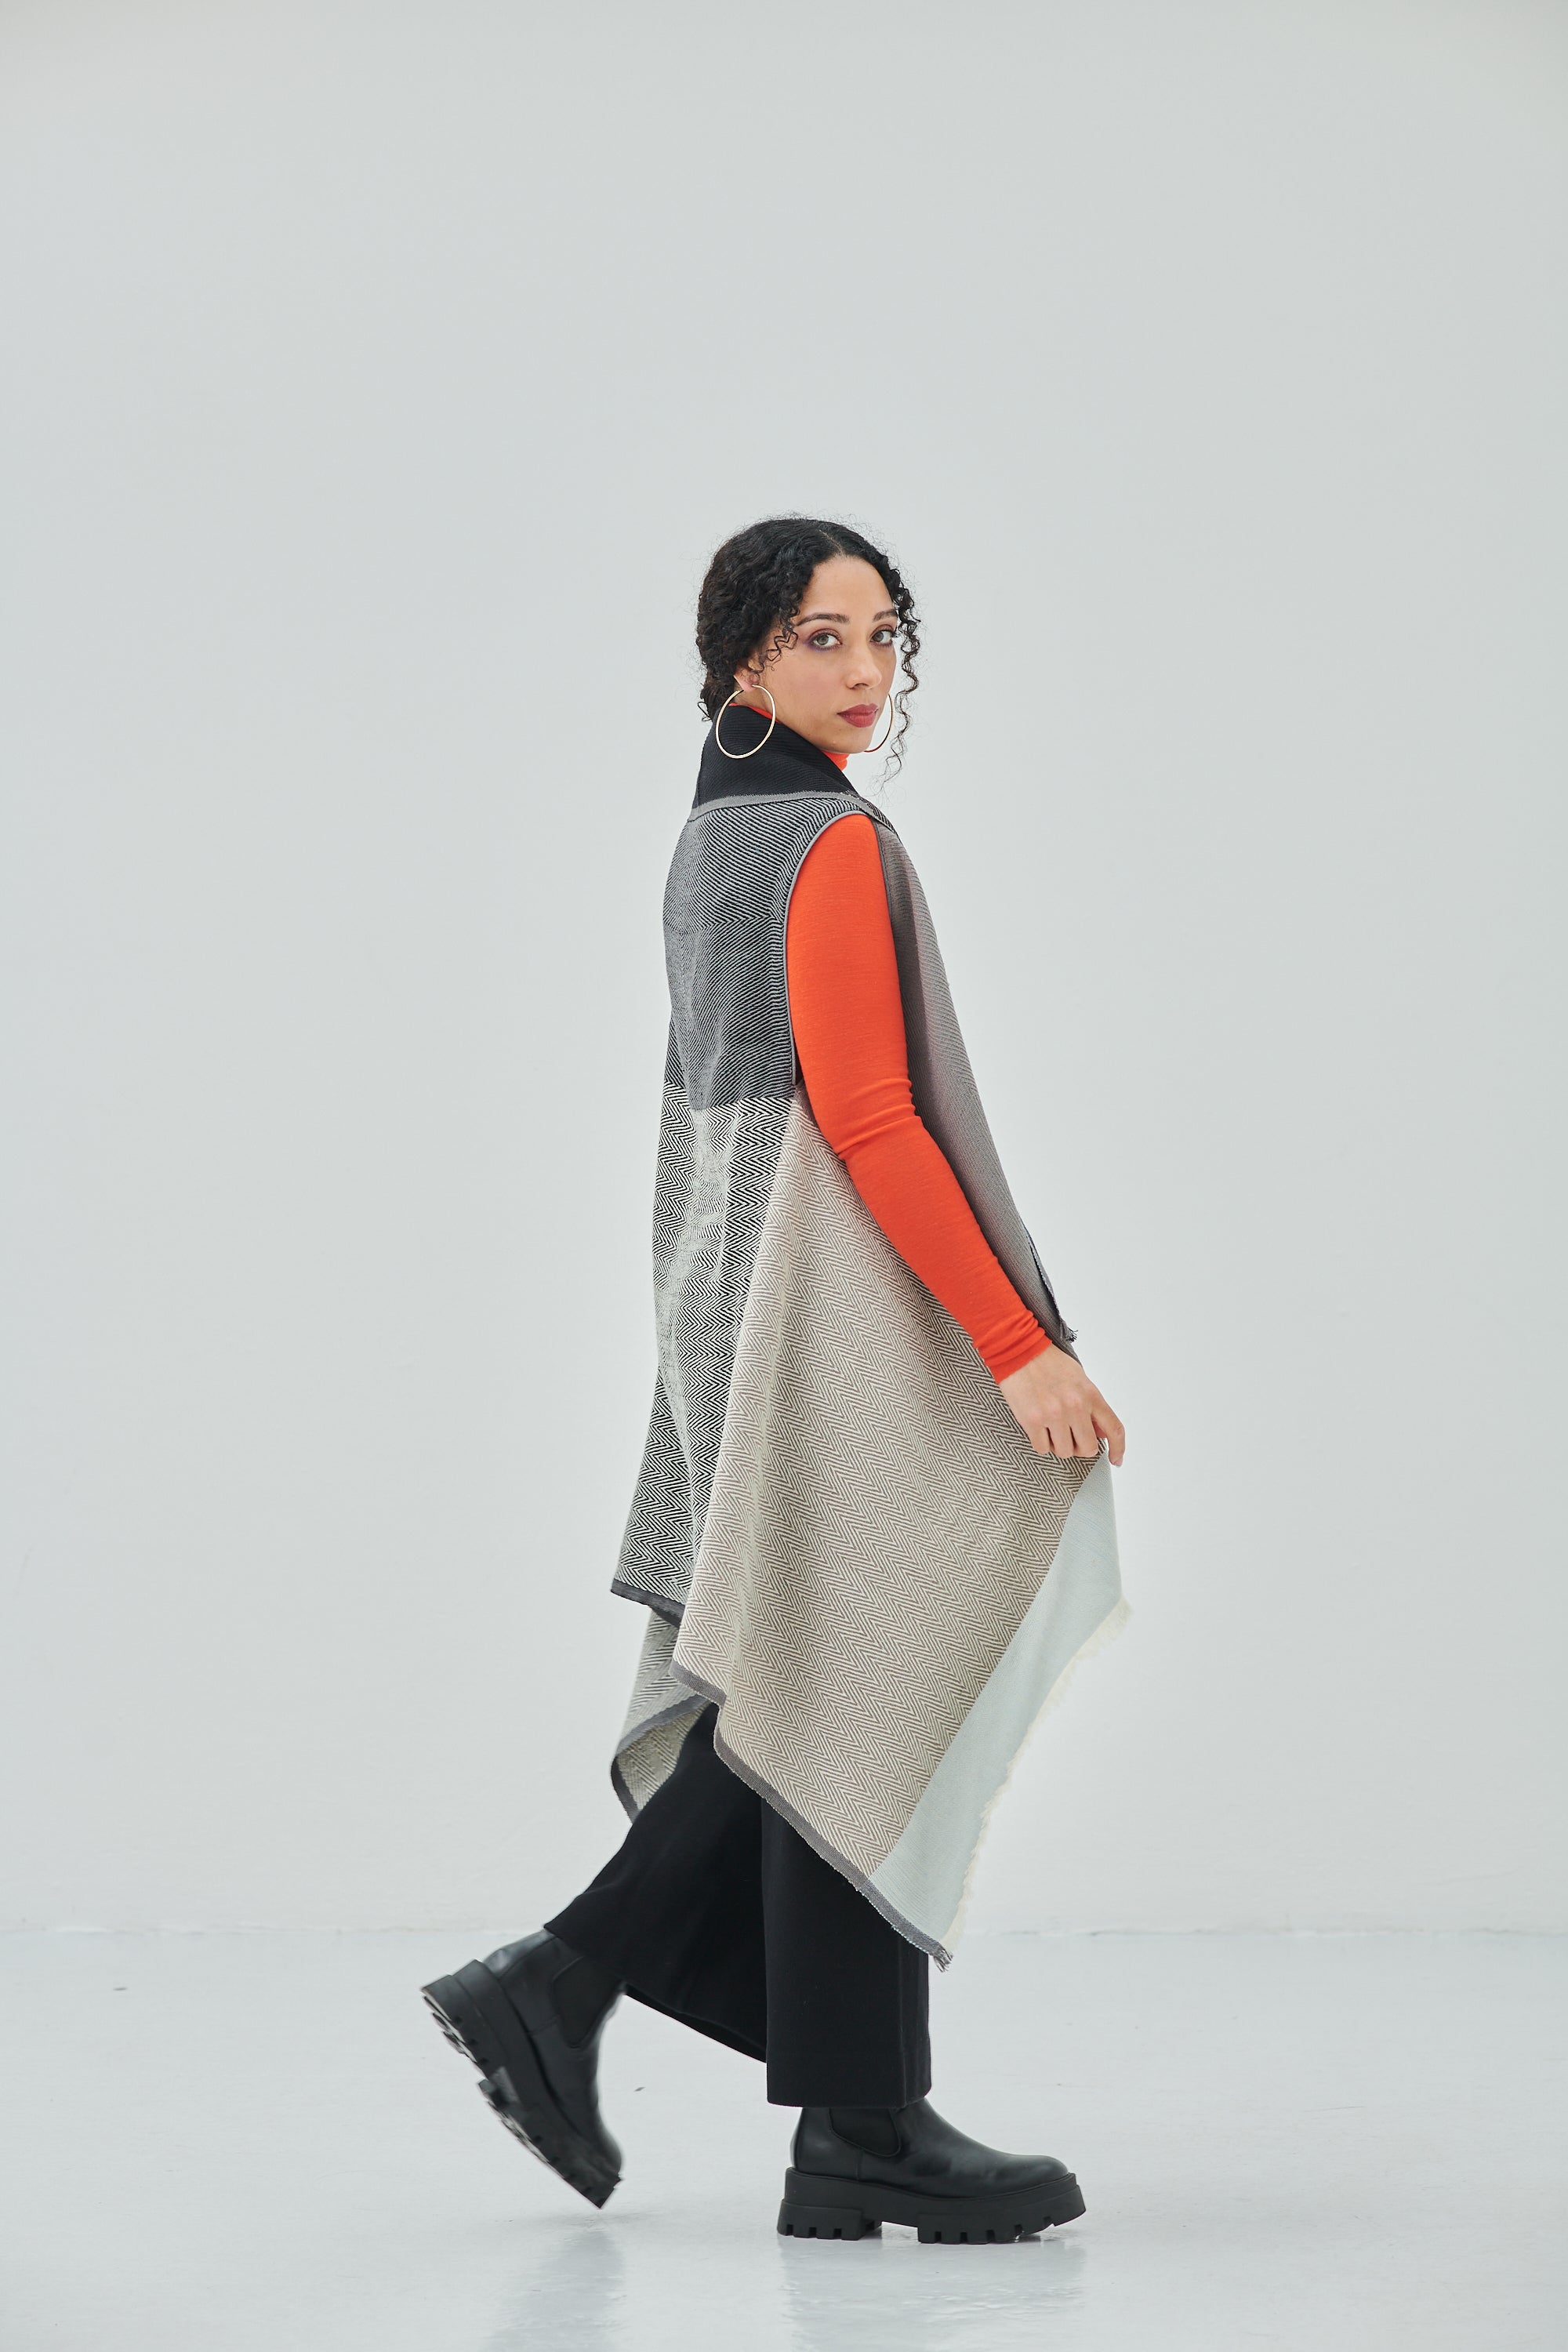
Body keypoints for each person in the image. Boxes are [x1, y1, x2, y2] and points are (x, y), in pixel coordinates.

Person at [423, 517, 1127, 2247]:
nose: (866, 671)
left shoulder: (709, 833)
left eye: (884, 637)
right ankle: (571, 1982)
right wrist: (1017, 1345)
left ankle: (850, 2123)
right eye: (823, 638)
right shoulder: (822, 838)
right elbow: (869, 1117)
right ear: (742, 658)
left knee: (812, 1662)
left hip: (726, 1270)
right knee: (842, 1662)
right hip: (825, 1292)